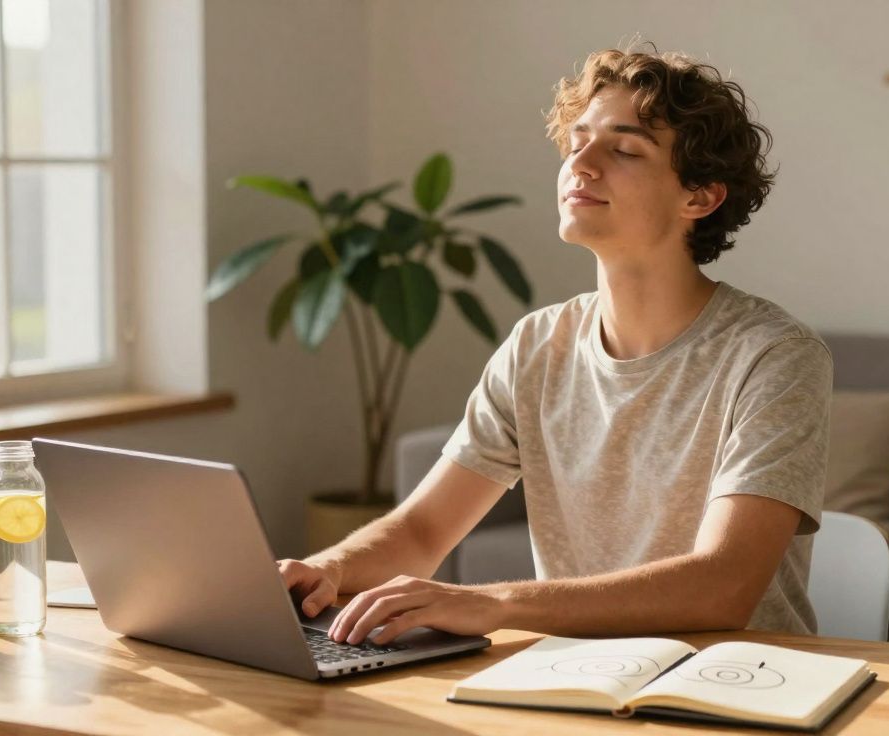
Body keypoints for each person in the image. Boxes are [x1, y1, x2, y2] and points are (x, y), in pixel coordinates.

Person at [278, 46, 833, 647]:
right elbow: (420, 530)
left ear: (698, 197)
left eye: (623, 149)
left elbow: (723, 586)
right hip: (572, 682)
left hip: (736, 689)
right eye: (576, 143)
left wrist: (491, 603)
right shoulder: (538, 344)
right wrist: (327, 570)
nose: (581, 164)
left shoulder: (775, 355)